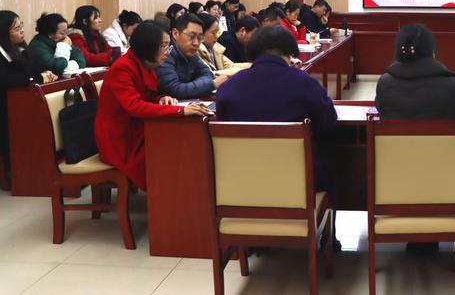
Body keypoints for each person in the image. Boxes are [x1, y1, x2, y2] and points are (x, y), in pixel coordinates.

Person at [375, 24, 455, 254]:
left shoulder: (385, 84)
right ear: (433, 53)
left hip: (395, 183)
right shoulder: (451, 86)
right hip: (448, 186)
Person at [215, 26, 338, 190]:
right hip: (298, 183)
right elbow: (327, 122)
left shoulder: (229, 86)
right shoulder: (304, 83)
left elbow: (222, 123)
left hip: (241, 182)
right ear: (289, 53)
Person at [94, 21, 211, 191]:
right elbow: (134, 106)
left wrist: (163, 98)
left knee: (181, 140)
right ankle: (169, 196)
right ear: (148, 45)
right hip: (121, 138)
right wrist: (180, 109)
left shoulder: (147, 64)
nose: (167, 52)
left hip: (138, 127)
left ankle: (183, 193)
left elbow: (149, 96)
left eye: (168, 46)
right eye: (163, 46)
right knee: (169, 148)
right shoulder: (123, 68)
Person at [0, 11, 56, 172]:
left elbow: (33, 71)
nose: (22, 31)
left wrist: (46, 74)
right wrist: (37, 77)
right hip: (6, 110)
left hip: (22, 105)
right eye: (17, 28)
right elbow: (7, 80)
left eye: (22, 26)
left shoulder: (21, 49)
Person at [157, 14, 227, 99]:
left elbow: (208, 74)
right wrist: (211, 84)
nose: (196, 43)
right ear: (175, 33)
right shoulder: (165, 54)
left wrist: (192, 87)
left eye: (200, 38)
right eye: (191, 36)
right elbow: (174, 90)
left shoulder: (191, 53)